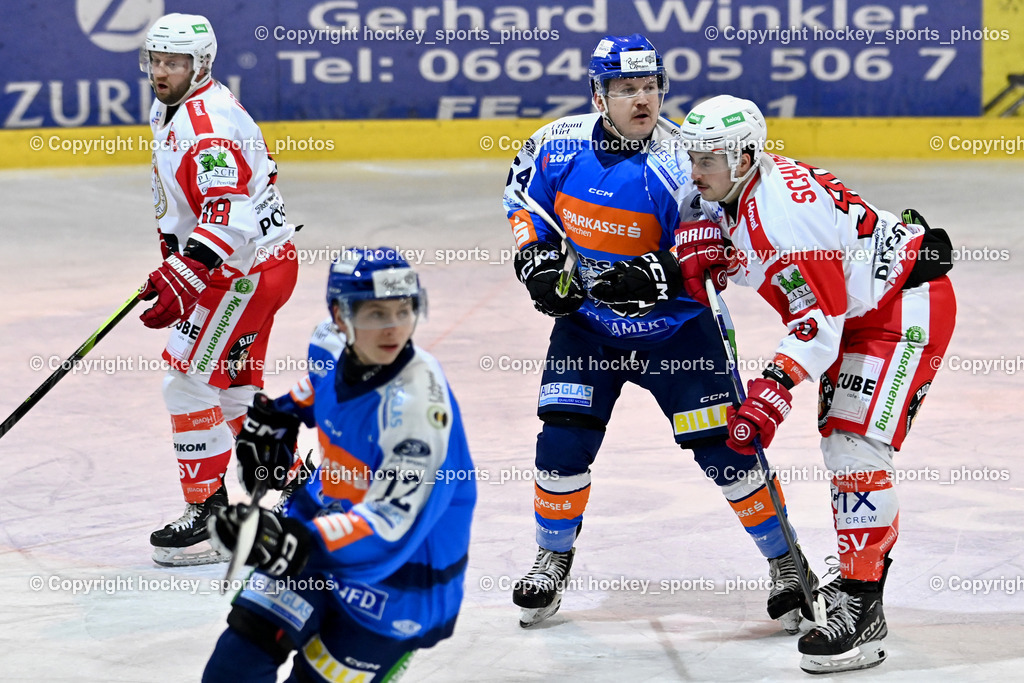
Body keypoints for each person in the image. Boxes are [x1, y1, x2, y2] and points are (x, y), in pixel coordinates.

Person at [502, 34, 817, 631]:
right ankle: (552, 556)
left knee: (728, 452)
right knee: (562, 441)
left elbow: (720, 243)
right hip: (589, 328)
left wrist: (659, 274)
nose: (641, 100)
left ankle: (787, 564)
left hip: (679, 332)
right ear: (599, 93)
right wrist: (536, 262)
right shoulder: (554, 145)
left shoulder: (683, 160)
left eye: (650, 87)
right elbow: (525, 202)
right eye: (626, 89)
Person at [677, 94, 956, 673]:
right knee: (843, 444)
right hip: (861, 310)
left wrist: (772, 390)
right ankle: (859, 580)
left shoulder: (783, 215)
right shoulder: (741, 189)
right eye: (692, 156)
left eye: (708, 159)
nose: (695, 170)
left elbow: (817, 326)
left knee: (852, 444)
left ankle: (862, 607)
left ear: (746, 156)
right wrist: (726, 258)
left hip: (900, 312)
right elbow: (784, 273)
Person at [203, 249, 476, 682]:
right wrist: (279, 416)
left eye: (403, 311)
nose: (393, 328)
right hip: (320, 533)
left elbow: (391, 524)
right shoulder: (328, 343)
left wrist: (291, 542)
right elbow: (320, 386)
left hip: (397, 582)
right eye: (375, 312)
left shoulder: (418, 411)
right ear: (339, 315)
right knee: (233, 666)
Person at [138, 13, 298, 566]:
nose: (162, 72)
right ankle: (299, 489)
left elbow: (228, 214)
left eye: (174, 63)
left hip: (244, 270)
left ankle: (209, 517)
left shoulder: (208, 126)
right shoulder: (172, 104)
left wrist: (187, 272)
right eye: (156, 61)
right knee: (231, 384)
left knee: (185, 381)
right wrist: (178, 260)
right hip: (255, 264)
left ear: (200, 65)